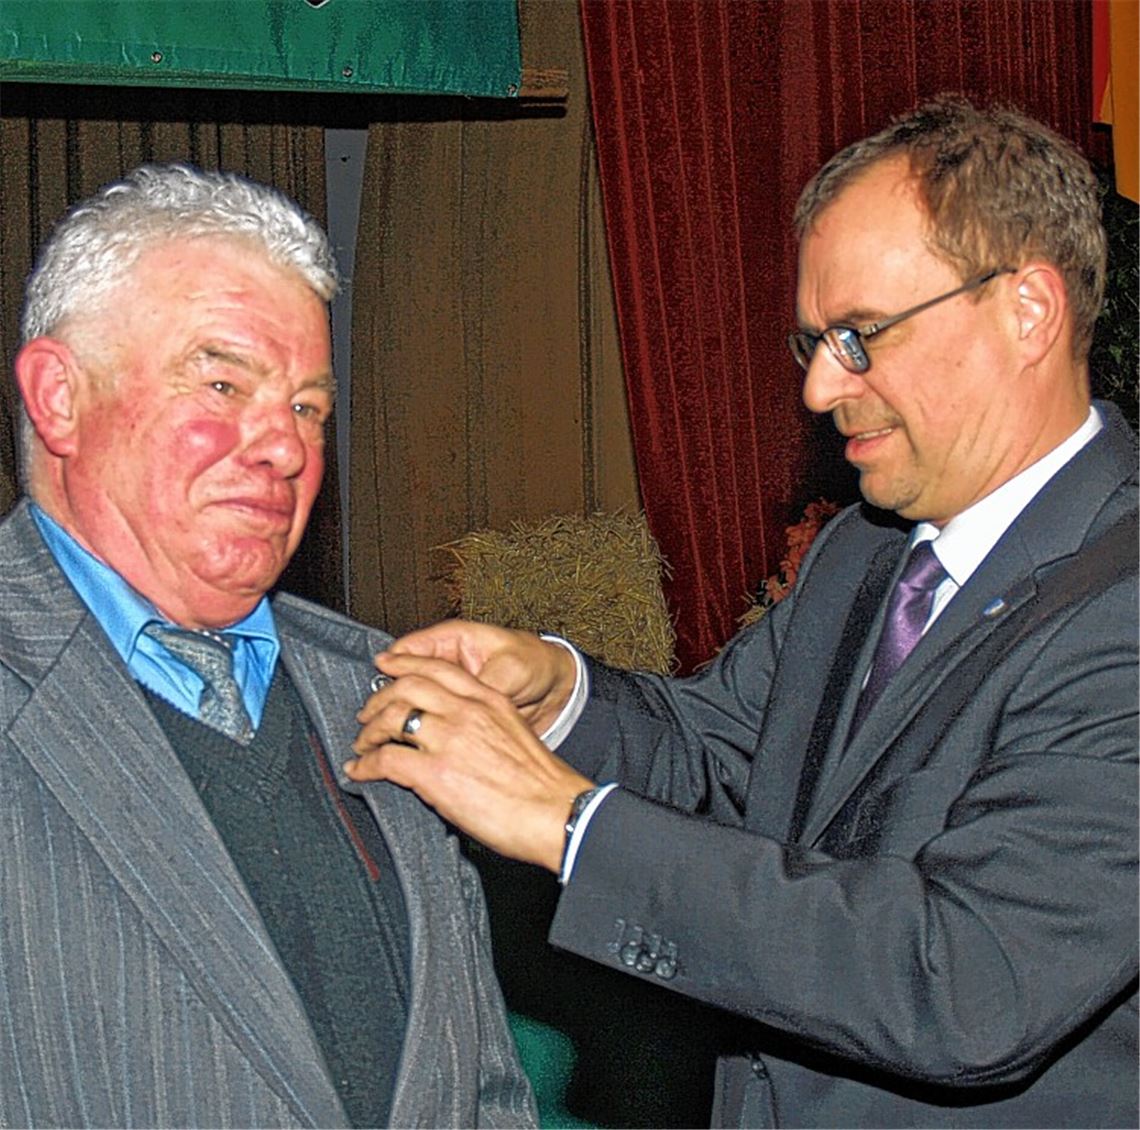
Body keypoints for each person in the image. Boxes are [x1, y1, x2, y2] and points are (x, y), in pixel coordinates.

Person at [349, 96, 1139, 1127]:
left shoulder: (1121, 606)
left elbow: (963, 980)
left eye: (859, 335)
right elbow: (723, 753)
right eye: (811, 340)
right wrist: (558, 696)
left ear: (1028, 310)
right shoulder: (866, 550)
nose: (818, 387)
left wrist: (567, 821)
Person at [0, 163, 537, 1128]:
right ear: (59, 397)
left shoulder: (386, 691)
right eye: (222, 382)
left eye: (307, 408)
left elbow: (483, 1088)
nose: (285, 448)